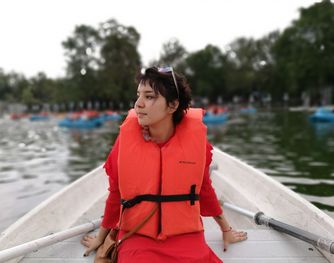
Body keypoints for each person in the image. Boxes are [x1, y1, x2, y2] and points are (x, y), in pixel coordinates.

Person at [81, 66, 247, 262]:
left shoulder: (195, 142)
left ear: (172, 105)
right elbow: (116, 193)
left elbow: (203, 189)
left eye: (149, 97)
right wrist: (101, 239)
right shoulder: (125, 142)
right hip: (138, 237)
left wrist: (225, 229)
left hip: (186, 237)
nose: (138, 104)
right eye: (138, 95)